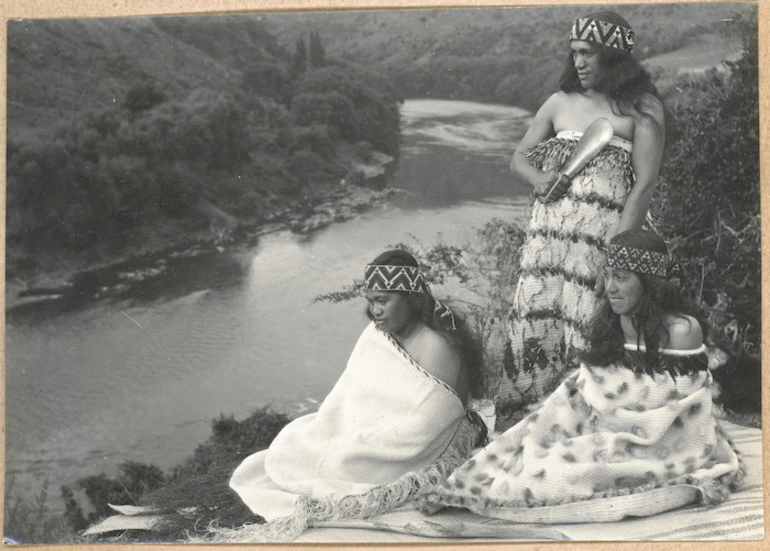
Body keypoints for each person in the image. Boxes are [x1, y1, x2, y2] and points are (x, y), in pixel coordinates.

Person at [420, 230, 744, 523]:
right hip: (601, 426)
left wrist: (617, 434)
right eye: (607, 276)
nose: (610, 288)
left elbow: (679, 410)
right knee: (526, 450)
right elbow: (592, 387)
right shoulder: (613, 322)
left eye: (621, 277)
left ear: (651, 283)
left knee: (568, 473)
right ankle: (463, 489)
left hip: (659, 441)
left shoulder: (682, 331)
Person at [223, 249, 486, 541]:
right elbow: (352, 393)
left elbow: (430, 422)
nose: (375, 311)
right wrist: (348, 429)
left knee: (338, 465)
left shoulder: (437, 345)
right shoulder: (381, 332)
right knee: (293, 440)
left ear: (412, 298)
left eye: (383, 301)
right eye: (371, 302)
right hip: (373, 428)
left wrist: (367, 442)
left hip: (415, 444)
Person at [497, 11, 668, 428]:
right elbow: (519, 158)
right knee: (537, 321)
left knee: (587, 327)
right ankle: (525, 425)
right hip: (545, 244)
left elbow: (643, 185)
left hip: (601, 244)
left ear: (614, 58)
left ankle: (581, 428)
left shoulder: (642, 109)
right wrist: (539, 179)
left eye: (588, 53)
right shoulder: (559, 103)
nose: (579, 63)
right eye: (574, 53)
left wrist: (617, 258)